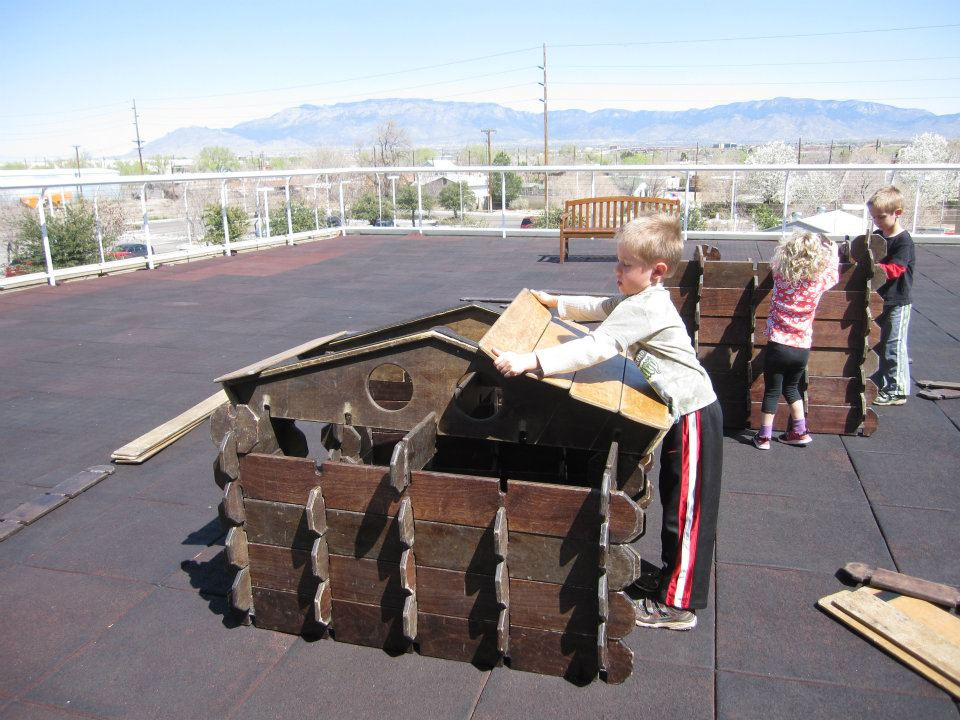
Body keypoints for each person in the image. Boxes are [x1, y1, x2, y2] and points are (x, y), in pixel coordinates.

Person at [491, 214, 721, 631]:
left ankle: (679, 605)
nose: (617, 271)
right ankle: (673, 581)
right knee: (676, 504)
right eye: (618, 262)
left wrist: (532, 361)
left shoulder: (647, 307)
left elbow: (597, 346)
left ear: (657, 272)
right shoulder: (639, 299)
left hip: (694, 414)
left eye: (626, 265)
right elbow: (600, 308)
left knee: (686, 513)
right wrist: (554, 302)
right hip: (684, 413)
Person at [753, 231, 840, 450]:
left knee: (772, 390)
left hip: (778, 344)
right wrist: (834, 252)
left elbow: (776, 263)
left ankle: (764, 436)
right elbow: (833, 273)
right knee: (792, 388)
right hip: (801, 347)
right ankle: (799, 431)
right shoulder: (818, 282)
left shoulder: (780, 276)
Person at [868, 186, 915, 406]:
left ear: (898, 213)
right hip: (880, 300)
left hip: (897, 301)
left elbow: (896, 269)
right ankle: (879, 383)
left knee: (893, 345)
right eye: (874, 217)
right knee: (877, 342)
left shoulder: (903, 241)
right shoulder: (877, 237)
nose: (877, 221)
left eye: (881, 216)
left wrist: (874, 268)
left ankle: (897, 390)